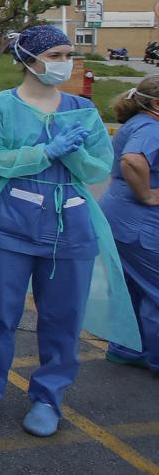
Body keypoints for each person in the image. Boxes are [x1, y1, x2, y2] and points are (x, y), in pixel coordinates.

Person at [0, 26, 141, 438]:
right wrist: (45, 152)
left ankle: (47, 397)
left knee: (63, 318)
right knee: (1, 312)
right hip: (11, 225)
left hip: (70, 225)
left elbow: (97, 169)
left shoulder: (82, 110)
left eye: (67, 54)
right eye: (55, 54)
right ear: (27, 59)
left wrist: (73, 154)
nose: (64, 62)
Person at [99, 76, 159, 374]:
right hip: (140, 220)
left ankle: (127, 346)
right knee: (155, 289)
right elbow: (133, 160)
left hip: (121, 214)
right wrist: (148, 195)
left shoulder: (138, 122)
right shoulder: (151, 128)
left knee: (131, 286)